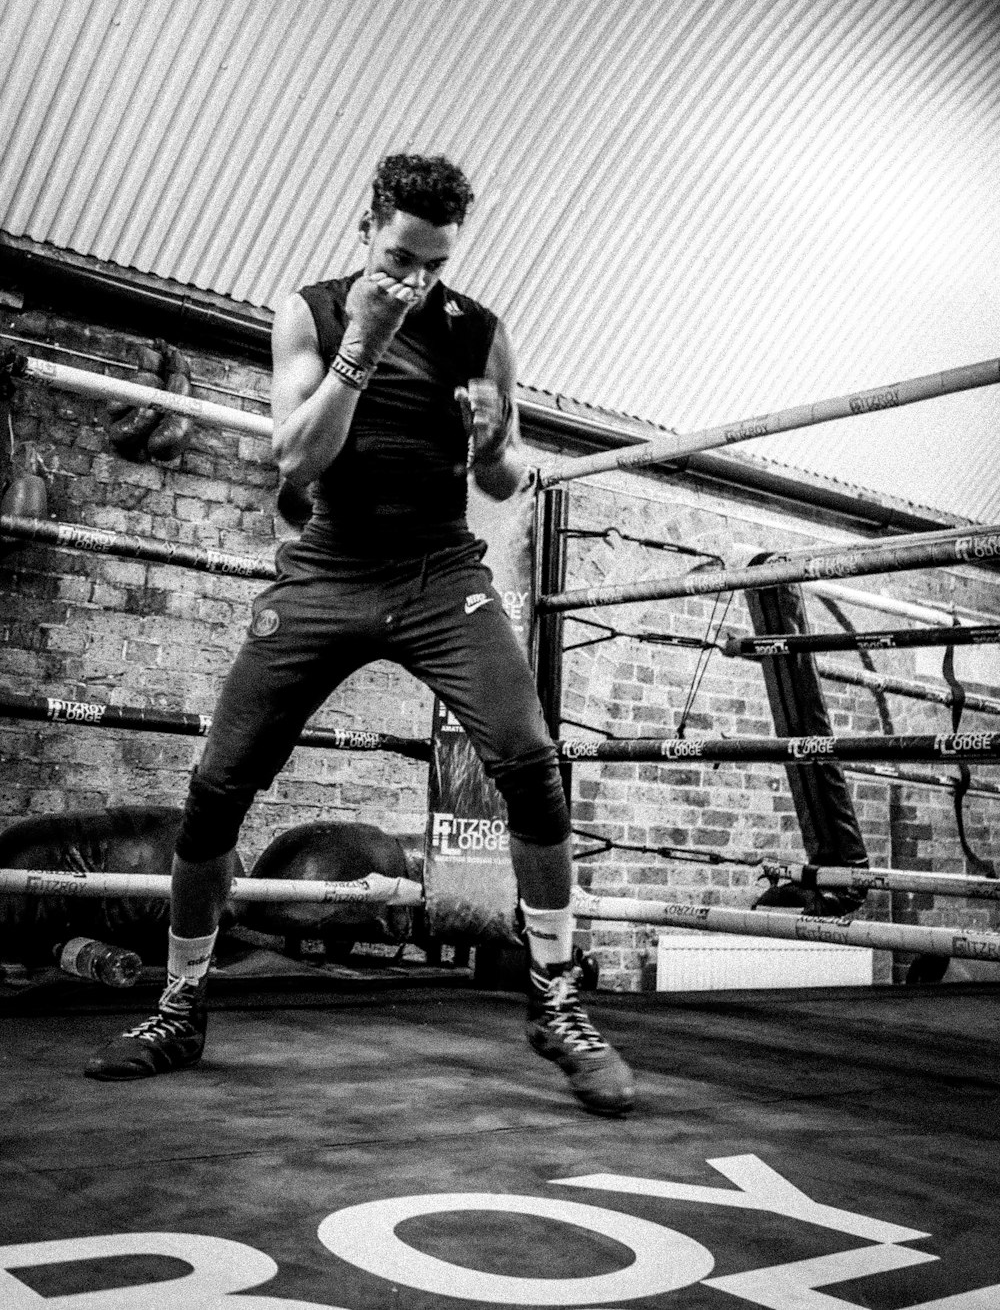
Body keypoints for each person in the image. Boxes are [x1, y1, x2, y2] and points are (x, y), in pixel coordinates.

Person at [86, 152, 634, 1116]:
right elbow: (294, 456)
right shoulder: (311, 312)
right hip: (329, 570)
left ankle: (556, 996)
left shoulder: (479, 331)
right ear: (365, 226)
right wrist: (364, 347)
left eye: (430, 264)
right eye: (397, 258)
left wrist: (497, 438)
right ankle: (180, 1004)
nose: (411, 281)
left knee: (529, 755)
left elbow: (508, 484)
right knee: (219, 783)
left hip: (439, 572)